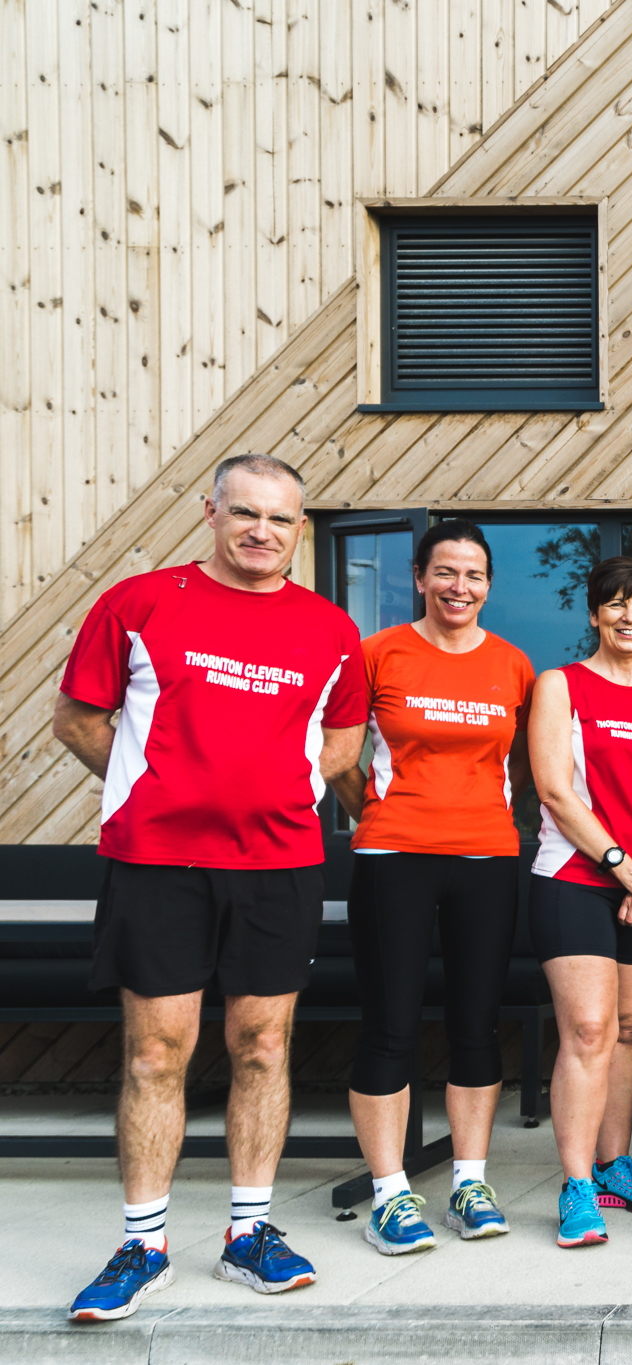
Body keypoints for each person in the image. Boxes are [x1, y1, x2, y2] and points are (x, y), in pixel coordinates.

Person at [57, 454, 367, 1320]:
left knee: (263, 1045)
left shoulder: (329, 628)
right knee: (156, 1052)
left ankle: (248, 1234)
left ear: (299, 531)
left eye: (279, 519)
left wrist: (284, 793)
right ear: (211, 512)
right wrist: (147, 789)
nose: (260, 531)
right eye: (245, 513)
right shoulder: (140, 603)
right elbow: (80, 717)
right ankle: (144, 1244)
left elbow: (342, 742)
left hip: (278, 867)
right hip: (156, 866)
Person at [327, 520, 535, 1255]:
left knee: (476, 1023)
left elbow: (520, 772)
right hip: (395, 856)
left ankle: (470, 1181)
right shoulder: (378, 652)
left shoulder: (513, 665)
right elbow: (339, 757)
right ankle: (390, 1191)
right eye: (445, 572)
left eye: (474, 575)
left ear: (487, 585)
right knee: (391, 1024)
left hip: (487, 857)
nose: (460, 587)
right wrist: (380, 813)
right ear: (419, 577)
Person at [528, 557, 632, 1249]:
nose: (630, 615)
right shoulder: (560, 685)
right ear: (594, 614)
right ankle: (575, 1185)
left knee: (628, 1028)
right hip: (575, 876)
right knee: (590, 1030)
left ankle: (614, 1163)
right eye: (617, 604)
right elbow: (555, 791)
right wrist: (622, 867)